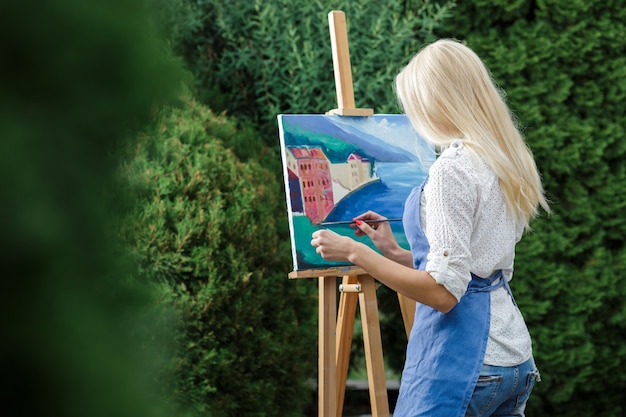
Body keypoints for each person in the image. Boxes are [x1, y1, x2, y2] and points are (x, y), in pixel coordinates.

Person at [311, 39, 550, 417]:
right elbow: (472, 264)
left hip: (467, 361)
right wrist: (393, 253)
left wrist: (355, 253)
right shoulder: (503, 159)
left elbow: (444, 292)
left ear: (436, 103)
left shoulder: (452, 169)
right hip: (513, 357)